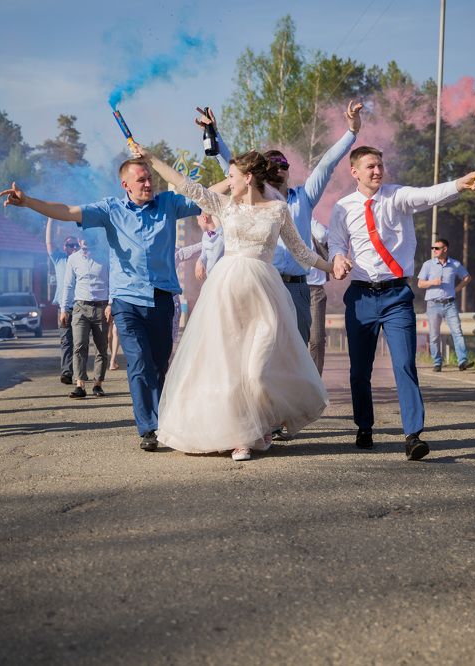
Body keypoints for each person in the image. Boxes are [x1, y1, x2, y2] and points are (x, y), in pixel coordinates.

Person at [132, 143, 335, 461]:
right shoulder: (225, 206)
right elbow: (186, 185)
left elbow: (301, 251)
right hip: (226, 292)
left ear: (248, 177)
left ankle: (263, 420)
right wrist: (152, 159)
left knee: (257, 371)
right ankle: (243, 436)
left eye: (231, 176)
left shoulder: (278, 209)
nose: (228, 181)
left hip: (265, 294)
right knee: (230, 367)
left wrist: (331, 266)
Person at [0, 159, 201, 452]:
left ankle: (162, 417)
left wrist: (238, 182)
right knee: (139, 362)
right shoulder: (110, 209)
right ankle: (149, 427)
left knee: (159, 365)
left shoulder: (169, 203)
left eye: (150, 178)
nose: (148, 184)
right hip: (127, 301)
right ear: (126, 185)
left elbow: (208, 199)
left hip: (162, 298)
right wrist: (28, 201)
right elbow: (67, 211)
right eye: (142, 180)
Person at [328, 146, 475, 461]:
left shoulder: (397, 196)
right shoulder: (342, 207)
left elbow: (429, 196)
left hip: (397, 296)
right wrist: (338, 258)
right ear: (354, 172)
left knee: (404, 364)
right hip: (360, 297)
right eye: (370, 166)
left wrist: (459, 184)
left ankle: (413, 435)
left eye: (380, 165)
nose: (378, 171)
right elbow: (336, 242)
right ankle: (364, 426)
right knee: (360, 370)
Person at [197, 100, 363, 343]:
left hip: (298, 288)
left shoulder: (305, 197)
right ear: (260, 172)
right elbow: (232, 168)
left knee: (299, 350)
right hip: (263, 284)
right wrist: (215, 134)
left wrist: (351, 132)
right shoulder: (256, 200)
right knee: (260, 348)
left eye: (283, 164)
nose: (279, 168)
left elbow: (326, 164)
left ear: (289, 169)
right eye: (272, 165)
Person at [59, 237, 110, 399]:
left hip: (101, 307)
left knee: (101, 347)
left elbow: (113, 282)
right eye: (83, 239)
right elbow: (68, 285)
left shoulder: (105, 256)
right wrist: (64, 309)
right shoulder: (73, 259)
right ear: (79, 241)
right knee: (79, 345)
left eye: (89, 238)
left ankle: (98, 384)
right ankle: (80, 385)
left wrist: (111, 304)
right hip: (80, 307)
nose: (85, 243)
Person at [417, 238, 473, 372]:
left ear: (445, 249)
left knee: (457, 332)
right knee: (434, 335)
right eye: (433, 248)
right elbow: (420, 284)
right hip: (433, 305)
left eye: (437, 248)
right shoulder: (428, 265)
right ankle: (437, 362)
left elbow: (467, 278)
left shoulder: (455, 264)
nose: (434, 250)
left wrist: (456, 289)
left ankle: (462, 361)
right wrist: (432, 282)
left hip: (450, 304)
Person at [48, 219, 80, 384]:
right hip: (63, 308)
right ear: (64, 247)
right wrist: (50, 220)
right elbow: (49, 242)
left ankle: (80, 373)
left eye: (76, 245)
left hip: (80, 306)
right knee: (66, 340)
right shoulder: (59, 259)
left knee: (79, 342)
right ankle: (67, 372)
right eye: (70, 245)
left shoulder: (82, 260)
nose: (74, 248)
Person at [307, 219, 330, 375]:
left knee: (317, 339)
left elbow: (322, 235)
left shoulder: (311, 222)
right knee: (295, 340)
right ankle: (296, 382)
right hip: (290, 286)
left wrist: (308, 218)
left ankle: (315, 381)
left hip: (315, 288)